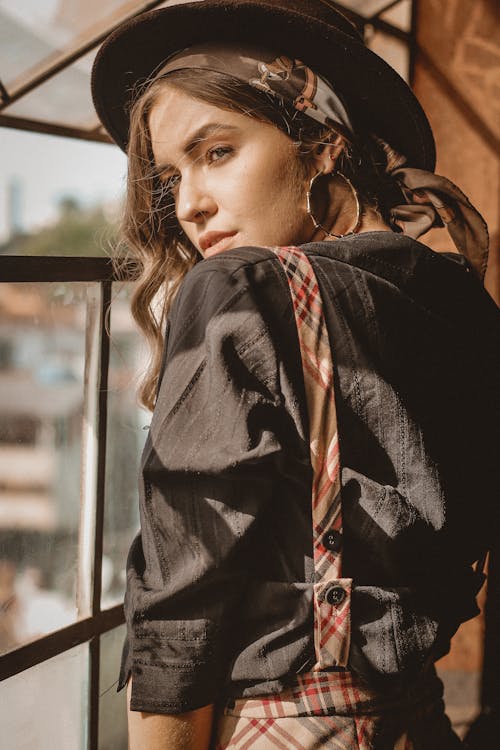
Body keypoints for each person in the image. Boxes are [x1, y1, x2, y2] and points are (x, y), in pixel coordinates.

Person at [91, 2, 500, 748]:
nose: (189, 205)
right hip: (421, 718)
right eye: (170, 177)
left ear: (322, 146)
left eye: (216, 153)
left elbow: (184, 606)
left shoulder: (241, 290)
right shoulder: (451, 291)